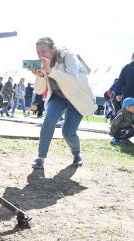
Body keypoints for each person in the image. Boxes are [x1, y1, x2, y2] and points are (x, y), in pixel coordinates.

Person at [30, 37, 97, 169]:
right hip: (58, 97)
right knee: (48, 120)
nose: (40, 55)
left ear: (53, 49)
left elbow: (72, 80)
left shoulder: (69, 57)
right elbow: (38, 90)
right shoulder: (43, 64)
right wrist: (40, 75)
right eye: (38, 52)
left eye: (44, 51)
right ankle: (40, 158)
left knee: (68, 132)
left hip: (76, 98)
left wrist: (51, 71)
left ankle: (77, 154)